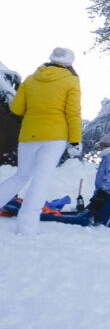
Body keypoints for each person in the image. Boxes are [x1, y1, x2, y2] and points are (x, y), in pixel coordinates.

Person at [0, 47, 81, 236]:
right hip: (55, 137)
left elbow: (16, 109)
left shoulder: (30, 79)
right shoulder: (71, 80)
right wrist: (75, 141)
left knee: (20, 177)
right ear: (69, 62)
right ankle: (27, 228)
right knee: (40, 180)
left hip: (29, 136)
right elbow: (74, 113)